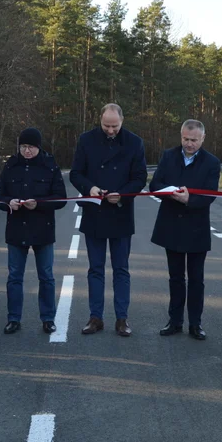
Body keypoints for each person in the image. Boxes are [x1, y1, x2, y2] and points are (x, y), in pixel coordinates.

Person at [69, 103, 148, 336]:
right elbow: (75, 173)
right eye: (106, 125)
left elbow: (140, 177)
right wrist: (90, 188)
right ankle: (95, 317)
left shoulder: (135, 142)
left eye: (115, 126)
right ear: (100, 121)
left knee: (121, 269)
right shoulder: (86, 140)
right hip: (95, 212)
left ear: (122, 121)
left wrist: (122, 194)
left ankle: (122, 318)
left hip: (121, 213)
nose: (111, 130)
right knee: (95, 268)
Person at [149, 119, 221, 340]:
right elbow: (154, 185)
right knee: (175, 278)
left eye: (194, 140)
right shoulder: (168, 156)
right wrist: (168, 192)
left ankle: (195, 324)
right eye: (185, 139)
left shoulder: (212, 162)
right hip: (171, 226)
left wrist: (190, 199)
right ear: (181, 136)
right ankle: (175, 321)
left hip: (196, 227)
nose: (189, 144)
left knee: (196, 279)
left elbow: (210, 194)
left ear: (202, 139)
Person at [0, 127, 67, 335]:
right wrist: (10, 202)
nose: (27, 151)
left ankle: (48, 318)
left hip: (42, 230)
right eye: (23, 147)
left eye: (31, 147)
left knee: (46, 276)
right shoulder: (11, 165)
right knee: (15, 276)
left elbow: (60, 198)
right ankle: (13, 319)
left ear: (38, 147)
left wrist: (40, 204)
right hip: (16, 230)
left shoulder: (49, 165)